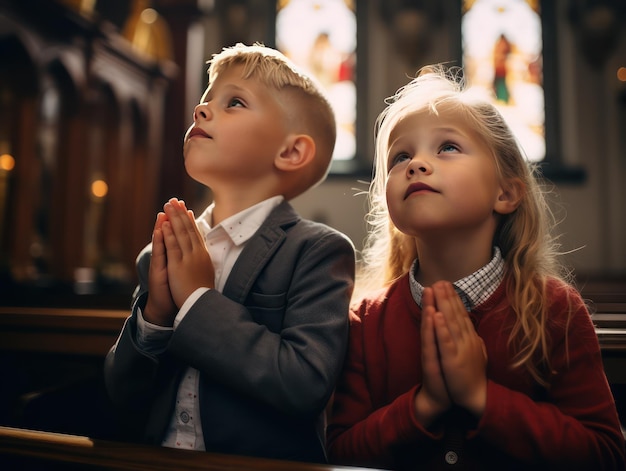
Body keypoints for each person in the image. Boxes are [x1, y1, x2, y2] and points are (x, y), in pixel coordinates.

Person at [326, 65, 625, 470]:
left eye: (447, 147)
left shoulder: (554, 309)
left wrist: (480, 396)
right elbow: (341, 452)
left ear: (505, 191)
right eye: (401, 156)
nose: (416, 164)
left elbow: (604, 454)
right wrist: (424, 404)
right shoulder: (365, 322)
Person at [104, 43, 355, 464]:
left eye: (234, 102)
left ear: (291, 152)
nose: (200, 111)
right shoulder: (159, 255)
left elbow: (304, 384)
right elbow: (121, 396)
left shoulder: (317, 251)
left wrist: (200, 301)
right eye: (204, 101)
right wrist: (156, 319)